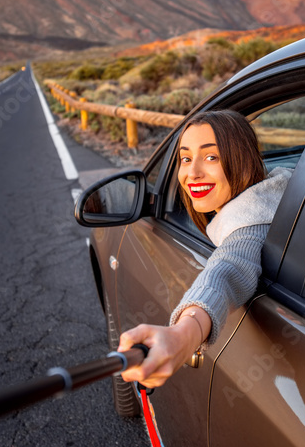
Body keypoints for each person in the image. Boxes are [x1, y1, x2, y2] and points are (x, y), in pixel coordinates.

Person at [117, 110, 292, 388]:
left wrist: (183, 335)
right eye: (185, 159)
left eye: (211, 157)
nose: (192, 174)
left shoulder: (250, 226)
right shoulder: (283, 194)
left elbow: (227, 270)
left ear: (243, 162)